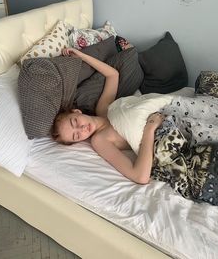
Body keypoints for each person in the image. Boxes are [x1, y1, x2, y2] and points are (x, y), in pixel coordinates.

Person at [52, 47, 165, 184]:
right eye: (76, 136)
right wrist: (150, 129)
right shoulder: (100, 140)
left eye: (75, 122)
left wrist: (81, 55)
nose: (82, 129)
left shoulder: (103, 108)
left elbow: (113, 75)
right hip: (159, 129)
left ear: (76, 111)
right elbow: (140, 176)